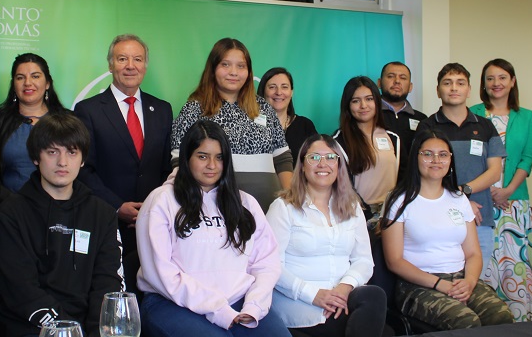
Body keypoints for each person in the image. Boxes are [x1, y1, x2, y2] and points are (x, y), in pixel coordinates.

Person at [137, 120, 290, 337]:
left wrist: (254, 305)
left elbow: (266, 262)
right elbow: (162, 274)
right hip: (173, 302)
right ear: (186, 158)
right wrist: (218, 309)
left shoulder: (244, 202)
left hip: (240, 301)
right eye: (202, 156)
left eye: (219, 157)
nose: (212, 165)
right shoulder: (161, 201)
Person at [0, 112, 123, 337]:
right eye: (52, 152)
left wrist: (94, 332)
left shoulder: (103, 214)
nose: (62, 162)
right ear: (36, 157)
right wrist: (67, 331)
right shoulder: (10, 213)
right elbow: (21, 289)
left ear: (82, 159)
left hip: (87, 328)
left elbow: (106, 283)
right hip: (28, 326)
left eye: (72, 152)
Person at [380, 130, 513, 330]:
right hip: (418, 285)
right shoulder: (399, 200)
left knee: (501, 317)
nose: (436, 160)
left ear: (450, 160)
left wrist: (468, 282)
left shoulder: (459, 199)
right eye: (427, 154)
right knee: (466, 322)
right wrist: (439, 284)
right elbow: (394, 261)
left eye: (443, 155)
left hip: (461, 278)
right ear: (416, 156)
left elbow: (474, 253)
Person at [75, 34, 172, 296]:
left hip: (154, 224)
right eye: (122, 58)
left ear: (145, 65)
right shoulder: (88, 110)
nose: (130, 65)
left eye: (137, 59)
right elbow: (84, 169)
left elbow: (166, 167)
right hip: (108, 222)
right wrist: (118, 207)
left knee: (153, 295)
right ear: (110, 65)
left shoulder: (162, 109)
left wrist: (153, 207)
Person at [266, 134, 386, 337]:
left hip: (342, 299)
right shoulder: (283, 208)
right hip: (300, 304)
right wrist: (314, 295)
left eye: (330, 157)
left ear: (339, 165)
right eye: (314, 157)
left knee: (374, 295)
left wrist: (344, 288)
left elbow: (363, 260)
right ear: (302, 165)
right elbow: (271, 266)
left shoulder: (352, 206)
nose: (323, 164)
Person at [171, 38, 292, 211]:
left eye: (241, 66)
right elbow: (179, 160)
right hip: (214, 210)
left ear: (249, 72)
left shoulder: (264, 107)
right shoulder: (194, 109)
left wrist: (290, 199)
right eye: (225, 64)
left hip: (269, 209)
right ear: (212, 69)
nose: (233, 72)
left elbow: (282, 158)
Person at [416, 63, 504, 270]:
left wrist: (465, 191)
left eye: (460, 83)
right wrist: (460, 203)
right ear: (438, 90)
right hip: (438, 219)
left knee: (475, 283)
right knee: (445, 280)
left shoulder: (485, 126)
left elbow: (494, 171)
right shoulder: (427, 127)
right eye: (447, 83)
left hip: (480, 218)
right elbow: (426, 173)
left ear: (469, 89)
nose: (454, 88)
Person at [470, 58, 532, 321]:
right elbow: (467, 159)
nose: (496, 83)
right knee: (483, 267)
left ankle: (521, 322)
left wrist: (508, 189)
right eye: (490, 78)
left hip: (514, 205)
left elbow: (528, 158)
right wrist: (485, 192)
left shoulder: (526, 117)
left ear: (512, 81)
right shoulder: (473, 112)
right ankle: (485, 323)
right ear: (483, 84)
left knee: (516, 269)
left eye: (502, 77)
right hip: (479, 204)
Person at [0, 53, 67, 194]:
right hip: (7, 207)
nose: (28, 83)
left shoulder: (68, 120)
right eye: (20, 78)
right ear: (13, 84)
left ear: (47, 83)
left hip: (58, 206)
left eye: (35, 76)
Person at [333, 76, 398, 216]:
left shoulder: (393, 138)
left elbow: (404, 178)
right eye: (356, 101)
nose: (363, 106)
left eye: (369, 99)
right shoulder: (338, 141)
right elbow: (342, 186)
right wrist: (368, 216)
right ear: (347, 106)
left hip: (392, 213)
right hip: (358, 215)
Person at [377, 62, 427, 181]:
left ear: (410, 87)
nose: (397, 81)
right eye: (391, 76)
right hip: (376, 188)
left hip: (412, 187)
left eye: (403, 78)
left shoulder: (422, 119)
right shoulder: (369, 115)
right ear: (379, 83)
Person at [257, 67, 318, 162]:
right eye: (272, 87)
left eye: (284, 87)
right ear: (263, 91)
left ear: (291, 92)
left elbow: (314, 160)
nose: (279, 92)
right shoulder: (250, 125)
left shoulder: (305, 125)